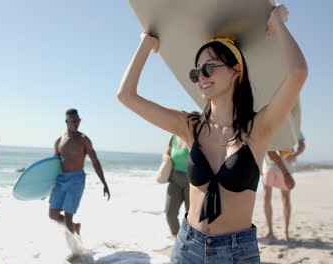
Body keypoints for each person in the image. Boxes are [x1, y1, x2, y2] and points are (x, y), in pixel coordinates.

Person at [117, 4, 307, 263]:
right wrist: (146, 45)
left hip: (236, 253)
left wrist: (277, 24)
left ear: (235, 70)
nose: (201, 77)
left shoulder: (258, 129)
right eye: (196, 72)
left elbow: (297, 74)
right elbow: (126, 96)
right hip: (187, 246)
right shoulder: (190, 126)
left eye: (209, 68)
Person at [49, 109, 110, 235]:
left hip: (76, 180)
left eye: (78, 120)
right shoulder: (59, 141)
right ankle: (75, 227)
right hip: (61, 179)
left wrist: (104, 183)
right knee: (53, 215)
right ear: (66, 121)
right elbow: (53, 165)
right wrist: (44, 187)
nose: (77, 123)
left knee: (68, 216)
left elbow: (95, 162)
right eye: (73, 120)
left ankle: (75, 250)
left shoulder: (84, 140)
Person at [262, 133, 305, 241]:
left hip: (286, 165)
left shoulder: (294, 124)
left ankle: (285, 232)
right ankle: (270, 231)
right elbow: (267, 148)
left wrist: (295, 154)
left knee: (285, 199)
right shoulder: (272, 120)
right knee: (266, 196)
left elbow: (302, 144)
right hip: (268, 165)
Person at [162, 135, 190, 237]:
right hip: (174, 179)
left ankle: (190, 240)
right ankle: (177, 238)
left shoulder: (193, 135)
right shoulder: (173, 137)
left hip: (192, 182)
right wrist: (166, 157)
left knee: (190, 216)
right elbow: (166, 152)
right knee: (170, 213)